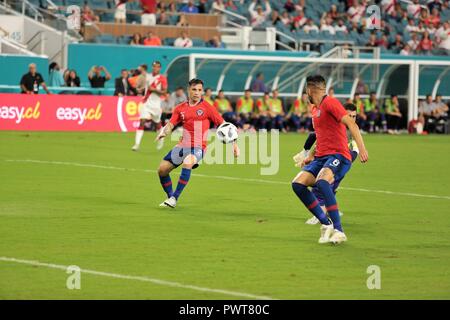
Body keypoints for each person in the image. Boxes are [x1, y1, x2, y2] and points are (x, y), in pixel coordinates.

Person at [291, 75, 368, 245]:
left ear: (311, 90)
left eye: (306, 90)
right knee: (297, 183)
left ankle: (339, 231)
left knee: (322, 182)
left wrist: (361, 148)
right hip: (321, 156)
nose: (306, 94)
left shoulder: (331, 103)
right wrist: (310, 156)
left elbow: (351, 124)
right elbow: (321, 136)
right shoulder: (315, 110)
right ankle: (326, 224)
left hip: (338, 155)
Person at [155, 78, 240, 208]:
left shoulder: (207, 107)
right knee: (162, 170)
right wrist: (164, 132)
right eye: (194, 90)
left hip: (199, 147)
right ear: (189, 90)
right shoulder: (180, 108)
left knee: (188, 162)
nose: (197, 93)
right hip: (182, 146)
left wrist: (234, 144)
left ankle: (174, 198)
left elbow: (225, 126)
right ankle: (170, 197)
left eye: (200, 90)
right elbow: (171, 124)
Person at [295, 103, 360, 225]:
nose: (351, 119)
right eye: (349, 115)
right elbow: (317, 137)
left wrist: (351, 157)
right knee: (328, 186)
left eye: (354, 116)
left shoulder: (352, 129)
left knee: (322, 186)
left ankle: (321, 215)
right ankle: (330, 211)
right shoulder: (336, 126)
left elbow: (355, 149)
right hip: (329, 157)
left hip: (342, 159)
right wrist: (308, 155)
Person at [132, 61, 167, 151]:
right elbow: (147, 87)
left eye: (157, 67)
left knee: (157, 124)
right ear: (152, 67)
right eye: (154, 66)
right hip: (146, 103)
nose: (155, 68)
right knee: (142, 121)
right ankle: (136, 145)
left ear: (160, 68)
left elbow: (164, 92)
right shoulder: (148, 76)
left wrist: (154, 90)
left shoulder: (162, 78)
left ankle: (161, 139)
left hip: (156, 105)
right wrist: (142, 89)